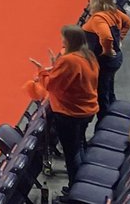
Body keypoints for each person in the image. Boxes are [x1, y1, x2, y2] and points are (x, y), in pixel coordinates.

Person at [30, 25, 98, 189]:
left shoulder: (69, 60)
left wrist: (42, 72)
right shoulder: (88, 56)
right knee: (79, 145)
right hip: (87, 109)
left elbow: (52, 85)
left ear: (70, 41)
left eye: (64, 39)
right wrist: (56, 66)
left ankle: (76, 189)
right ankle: (81, 182)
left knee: (72, 153)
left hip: (71, 113)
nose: (62, 41)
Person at [83, 0, 130, 119]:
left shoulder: (98, 18)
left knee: (102, 93)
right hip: (115, 59)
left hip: (105, 61)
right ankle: (112, 111)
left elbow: (106, 37)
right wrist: (120, 39)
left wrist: (107, 51)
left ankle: (105, 119)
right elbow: (128, 22)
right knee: (109, 87)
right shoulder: (113, 12)